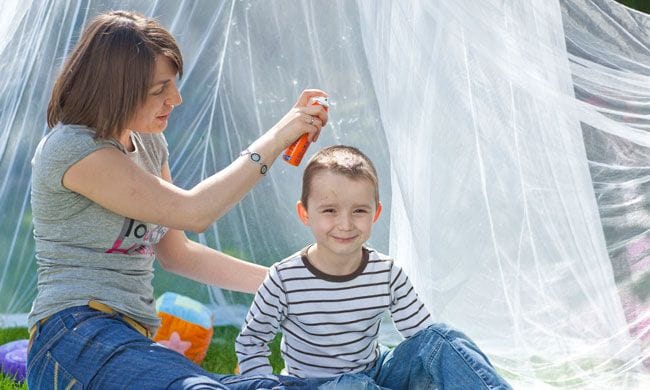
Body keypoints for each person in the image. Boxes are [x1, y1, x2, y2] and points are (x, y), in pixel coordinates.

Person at [27, 10, 332, 390]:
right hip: (72, 336)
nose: (176, 98)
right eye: (160, 89)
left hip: (131, 341)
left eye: (173, 84)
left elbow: (177, 253)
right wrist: (277, 138)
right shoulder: (73, 148)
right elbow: (194, 212)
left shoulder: (150, 144)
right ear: (115, 88)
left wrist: (285, 282)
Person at [236, 145, 512, 389]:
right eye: (330, 210)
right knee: (351, 386)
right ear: (305, 213)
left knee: (441, 337)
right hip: (310, 384)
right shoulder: (284, 278)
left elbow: (426, 341)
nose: (345, 224)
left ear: (375, 213)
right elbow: (250, 342)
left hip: (375, 373)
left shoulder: (387, 273)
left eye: (359, 211)